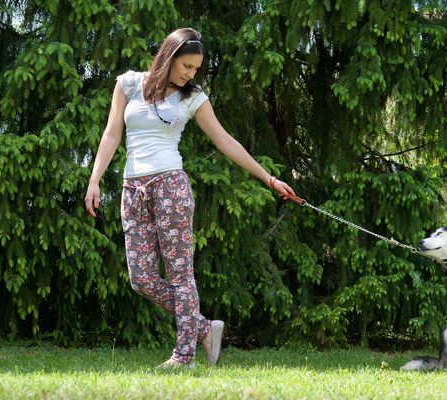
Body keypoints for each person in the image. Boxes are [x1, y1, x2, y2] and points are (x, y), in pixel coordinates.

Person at [84, 27, 297, 369]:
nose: (190, 74)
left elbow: (225, 141)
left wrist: (268, 178)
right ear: (168, 58)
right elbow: (112, 133)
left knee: (181, 276)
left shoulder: (192, 98)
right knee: (141, 279)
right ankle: (203, 328)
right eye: (186, 66)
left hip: (171, 187)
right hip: (132, 189)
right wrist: (94, 180)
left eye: (196, 69)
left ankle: (184, 357)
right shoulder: (128, 84)